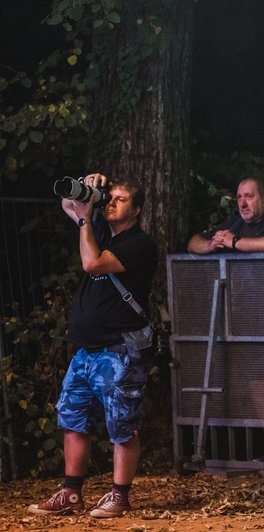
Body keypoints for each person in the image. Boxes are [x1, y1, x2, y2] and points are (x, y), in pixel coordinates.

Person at [28, 174, 156, 518]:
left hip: (119, 352)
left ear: (137, 209)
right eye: (109, 197)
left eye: (121, 199)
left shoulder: (138, 244)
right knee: (72, 418)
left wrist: (86, 219)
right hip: (86, 351)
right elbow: (67, 204)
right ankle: (71, 493)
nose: (112, 202)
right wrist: (86, 186)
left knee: (122, 425)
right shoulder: (98, 230)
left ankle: (120, 496)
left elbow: (92, 263)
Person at [187, 177, 264, 253]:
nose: (242, 204)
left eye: (248, 196)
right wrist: (211, 245)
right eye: (239, 197)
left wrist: (234, 242)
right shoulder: (234, 222)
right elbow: (193, 243)